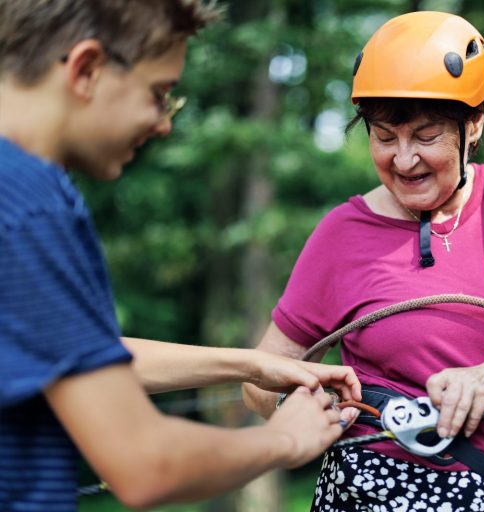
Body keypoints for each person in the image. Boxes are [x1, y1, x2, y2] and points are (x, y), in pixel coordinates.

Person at [243, 10, 484, 512]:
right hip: (378, 493)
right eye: (384, 137)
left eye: (425, 136)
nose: (403, 160)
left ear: (473, 124)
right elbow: (260, 379)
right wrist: (300, 405)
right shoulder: (343, 234)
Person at [0, 2, 361, 511]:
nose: (163, 124)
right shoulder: (29, 204)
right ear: (85, 70)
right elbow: (144, 463)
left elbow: (78, 354)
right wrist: (286, 441)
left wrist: (250, 365)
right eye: (159, 94)